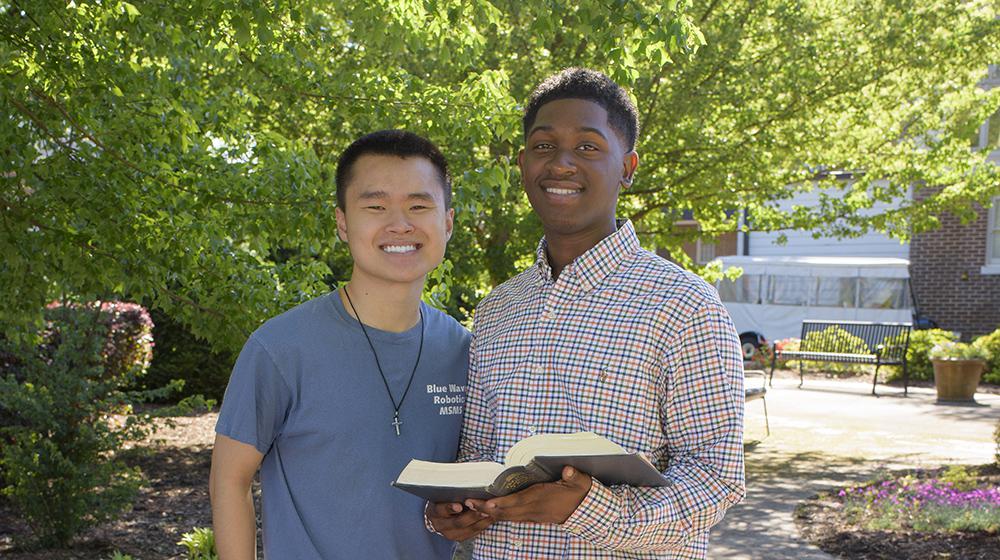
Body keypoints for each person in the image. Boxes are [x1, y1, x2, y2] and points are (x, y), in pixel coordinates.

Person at [427, 68, 746, 559]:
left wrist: (589, 510)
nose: (561, 164)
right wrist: (455, 508)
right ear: (521, 163)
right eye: (543, 146)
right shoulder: (496, 310)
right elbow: (478, 455)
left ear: (628, 166)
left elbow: (715, 478)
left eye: (589, 147)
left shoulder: (684, 306)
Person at [210, 129, 470, 559]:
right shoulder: (280, 348)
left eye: (419, 205)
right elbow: (229, 480)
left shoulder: (464, 351)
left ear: (447, 222)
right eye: (376, 205)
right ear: (342, 222)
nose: (400, 223)